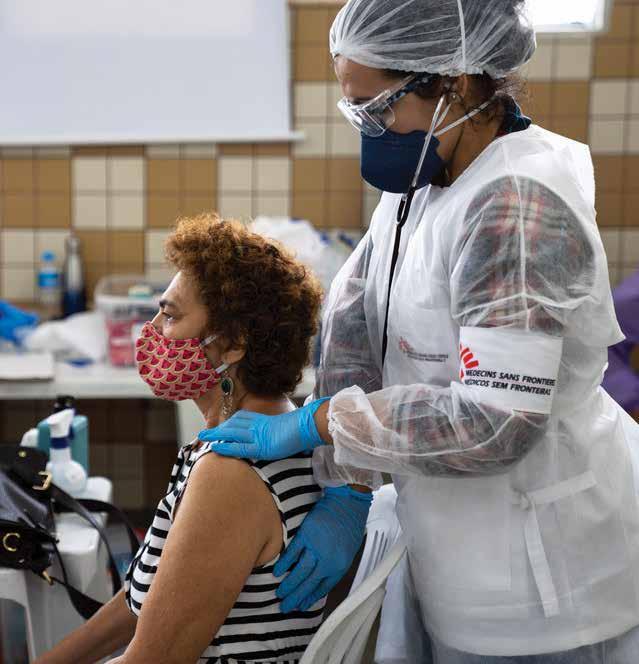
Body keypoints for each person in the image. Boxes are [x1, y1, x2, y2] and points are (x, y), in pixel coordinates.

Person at [198, 0, 639, 661]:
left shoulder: (516, 207)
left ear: (452, 83)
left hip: (551, 579)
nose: (372, 130)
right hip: (455, 551)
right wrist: (346, 484)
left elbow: (495, 421)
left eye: (378, 107)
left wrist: (320, 424)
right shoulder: (423, 182)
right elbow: (355, 324)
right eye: (356, 112)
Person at [35, 214, 330, 664]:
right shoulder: (264, 429)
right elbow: (147, 598)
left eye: (170, 315)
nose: (152, 329)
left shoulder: (231, 474)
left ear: (232, 344)